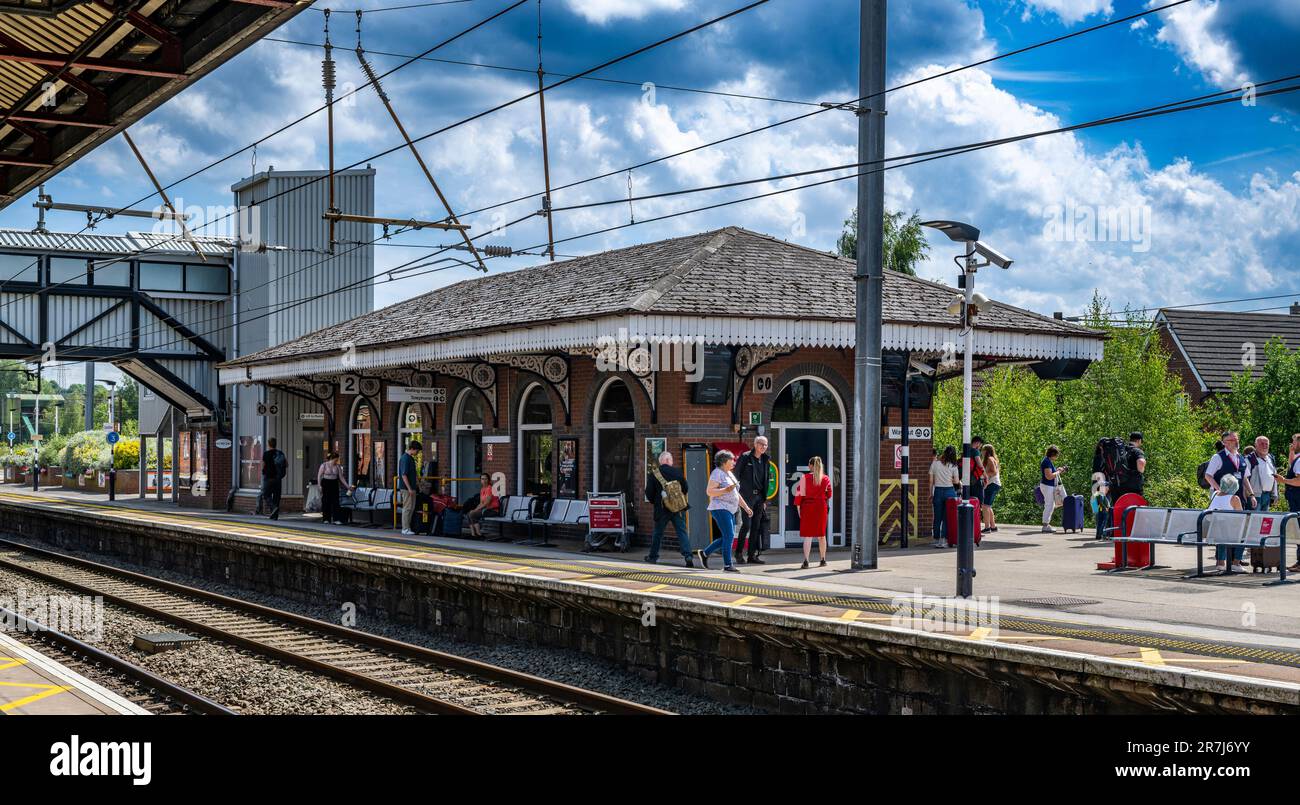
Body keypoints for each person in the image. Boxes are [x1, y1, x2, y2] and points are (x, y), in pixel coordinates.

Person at [697, 450, 751, 573]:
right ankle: (728, 565)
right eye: (731, 460)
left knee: (727, 536)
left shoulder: (729, 474)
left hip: (730, 509)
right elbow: (709, 491)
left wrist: (746, 507)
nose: (734, 462)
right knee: (730, 535)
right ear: (724, 461)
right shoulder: (717, 473)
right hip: (720, 508)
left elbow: (736, 493)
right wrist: (725, 490)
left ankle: (705, 553)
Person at [644, 451, 693, 567]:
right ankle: (688, 556)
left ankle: (653, 557)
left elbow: (649, 492)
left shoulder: (654, 474)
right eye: (670, 460)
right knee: (682, 532)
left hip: (661, 509)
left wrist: (655, 502)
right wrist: (677, 501)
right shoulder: (677, 473)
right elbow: (685, 488)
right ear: (668, 461)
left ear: (661, 461)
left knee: (658, 533)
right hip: (677, 508)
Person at [733, 435, 776, 565]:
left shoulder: (765, 460)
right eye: (762, 444)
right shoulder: (746, 457)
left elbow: (766, 480)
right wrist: (738, 494)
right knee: (747, 525)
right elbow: (736, 476)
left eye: (766, 445)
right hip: (746, 497)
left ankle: (752, 555)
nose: (764, 447)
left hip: (759, 497)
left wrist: (764, 500)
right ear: (755, 444)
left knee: (756, 527)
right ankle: (739, 553)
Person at [794, 456, 833, 569]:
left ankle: (806, 561)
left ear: (810, 466)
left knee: (808, 536)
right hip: (821, 507)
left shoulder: (804, 478)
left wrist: (799, 510)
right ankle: (823, 560)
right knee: (821, 535)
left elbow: (799, 496)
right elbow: (829, 495)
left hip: (807, 507)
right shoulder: (826, 479)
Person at [1205, 431, 1256, 510]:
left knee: (1239, 520)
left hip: (1238, 498)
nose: (1236, 442)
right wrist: (1219, 490)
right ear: (1224, 443)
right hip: (1223, 500)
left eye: (1237, 439)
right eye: (1232, 440)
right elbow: (1208, 476)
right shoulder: (1218, 457)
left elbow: (1245, 478)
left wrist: (1252, 495)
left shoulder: (1241, 458)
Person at [1209, 473, 1247, 573]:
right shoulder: (1234, 498)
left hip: (1210, 530)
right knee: (1243, 536)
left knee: (1222, 533)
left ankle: (1220, 563)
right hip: (1227, 531)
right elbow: (1241, 517)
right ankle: (1236, 563)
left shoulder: (1214, 494)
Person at [929, 446, 960, 549]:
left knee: (937, 517)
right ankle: (944, 540)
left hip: (937, 491)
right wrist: (950, 479)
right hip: (950, 492)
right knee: (947, 518)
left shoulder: (935, 463)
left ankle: (936, 539)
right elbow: (956, 481)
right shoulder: (953, 466)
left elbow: (931, 481)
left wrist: (930, 493)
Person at [316, 452, 351, 525]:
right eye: (335, 460)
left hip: (334, 483)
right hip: (326, 483)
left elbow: (341, 477)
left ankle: (336, 519)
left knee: (335, 501)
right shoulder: (324, 465)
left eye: (337, 460)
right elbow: (319, 476)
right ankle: (326, 519)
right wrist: (319, 486)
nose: (336, 461)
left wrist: (347, 486)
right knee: (326, 501)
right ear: (332, 459)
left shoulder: (338, 467)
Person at [1039, 445, 1066, 533]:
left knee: (1051, 505)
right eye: (1057, 455)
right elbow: (1049, 476)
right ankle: (1045, 525)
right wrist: (1059, 472)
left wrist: (1057, 470)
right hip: (1047, 486)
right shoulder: (1046, 462)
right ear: (1053, 454)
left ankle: (1046, 524)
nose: (1057, 457)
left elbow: (1051, 473)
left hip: (1048, 486)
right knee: (1049, 505)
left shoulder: (1048, 461)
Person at [464, 474, 500, 539]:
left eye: (485, 479)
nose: (484, 480)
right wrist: (475, 509)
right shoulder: (482, 489)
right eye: (482, 479)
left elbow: (487, 503)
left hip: (493, 510)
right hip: (486, 509)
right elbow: (481, 503)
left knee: (472, 514)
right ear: (480, 480)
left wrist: (475, 510)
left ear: (488, 480)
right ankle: (473, 534)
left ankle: (479, 534)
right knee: (469, 513)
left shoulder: (490, 488)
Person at [398, 440, 422, 536]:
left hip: (411, 488)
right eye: (417, 451)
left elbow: (413, 474)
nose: (418, 453)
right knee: (407, 508)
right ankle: (405, 528)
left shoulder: (411, 458)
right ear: (412, 449)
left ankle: (408, 527)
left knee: (411, 508)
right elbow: (404, 475)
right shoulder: (405, 459)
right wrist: (409, 489)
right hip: (407, 488)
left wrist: (418, 484)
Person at [1250, 436, 1277, 513]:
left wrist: (1275, 494)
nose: (1265, 446)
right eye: (1262, 444)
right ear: (1255, 445)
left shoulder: (1271, 458)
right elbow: (1245, 479)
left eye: (1266, 444)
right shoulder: (1250, 458)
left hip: (1267, 495)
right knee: (1254, 520)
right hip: (1255, 496)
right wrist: (1250, 495)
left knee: (1264, 521)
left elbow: (1274, 476)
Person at [261, 437, 286, 520]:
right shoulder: (280, 453)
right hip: (278, 478)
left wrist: (263, 471)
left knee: (266, 495)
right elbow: (287, 464)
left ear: (268, 444)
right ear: (276, 444)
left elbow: (263, 465)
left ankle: (273, 508)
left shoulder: (266, 454)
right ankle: (275, 516)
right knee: (276, 497)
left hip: (268, 478)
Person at [980, 443, 1001, 534]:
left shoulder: (989, 459)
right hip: (995, 484)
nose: (981, 452)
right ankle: (993, 526)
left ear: (986, 451)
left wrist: (984, 475)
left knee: (985, 506)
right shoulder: (993, 459)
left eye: (983, 450)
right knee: (988, 506)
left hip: (992, 484)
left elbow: (994, 472)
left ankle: (987, 527)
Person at [968, 436, 986, 505]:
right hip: (976, 478)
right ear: (978, 443)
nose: (980, 447)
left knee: (970, 499)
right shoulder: (975, 451)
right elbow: (980, 465)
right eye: (980, 445)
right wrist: (985, 476)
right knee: (978, 500)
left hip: (967, 479)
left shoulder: (966, 450)